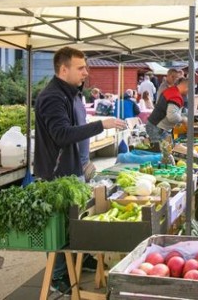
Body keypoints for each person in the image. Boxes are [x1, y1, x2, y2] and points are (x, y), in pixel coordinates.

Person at [34, 46, 126, 293]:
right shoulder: (52, 97)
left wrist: (85, 161)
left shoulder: (73, 94)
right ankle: (57, 279)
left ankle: (77, 261)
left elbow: (76, 130)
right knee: (57, 230)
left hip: (75, 169)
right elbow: (62, 134)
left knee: (75, 223)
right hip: (56, 176)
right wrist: (101, 124)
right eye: (81, 67)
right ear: (63, 69)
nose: (86, 71)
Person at [146, 77, 188, 164]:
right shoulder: (175, 96)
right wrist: (183, 120)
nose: (189, 92)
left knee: (166, 153)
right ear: (185, 87)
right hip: (157, 128)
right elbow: (172, 116)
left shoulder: (171, 91)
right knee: (161, 157)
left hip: (157, 127)